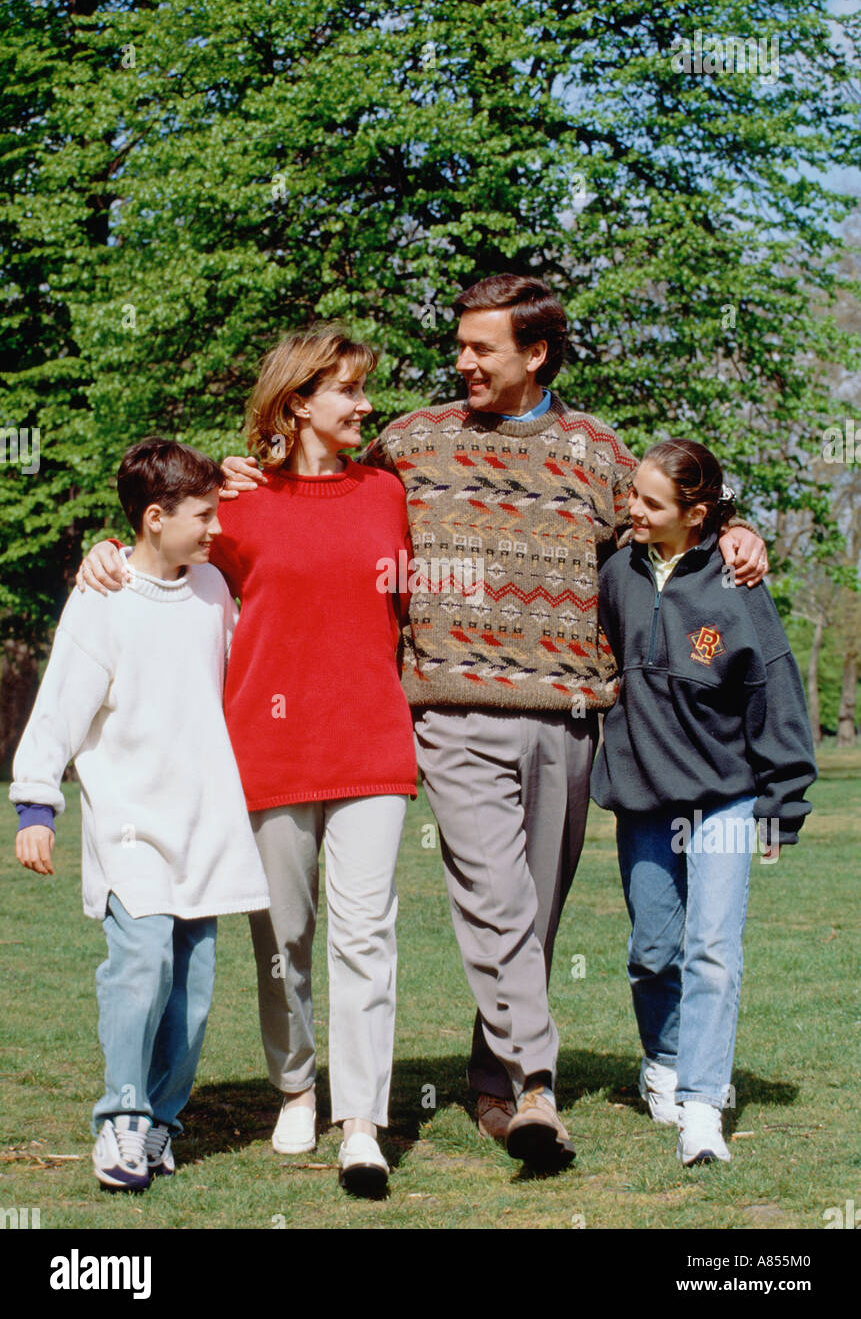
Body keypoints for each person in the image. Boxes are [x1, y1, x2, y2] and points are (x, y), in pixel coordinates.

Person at [217, 275, 770, 1171]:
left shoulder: (595, 449)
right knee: (495, 900)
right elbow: (309, 497)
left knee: (534, 917)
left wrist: (735, 532)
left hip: (568, 716)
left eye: (482, 348)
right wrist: (239, 471)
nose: (461, 361)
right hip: (450, 711)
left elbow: (663, 523)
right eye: (460, 344)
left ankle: (491, 1082)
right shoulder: (412, 442)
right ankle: (539, 1087)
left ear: (536, 353)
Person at [75, 327, 417, 1196]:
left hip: (373, 744)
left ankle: (362, 1121)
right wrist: (104, 553)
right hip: (265, 752)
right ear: (298, 401)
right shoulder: (238, 506)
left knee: (367, 937)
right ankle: (296, 1085)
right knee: (284, 940)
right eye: (346, 390)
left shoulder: (388, 492)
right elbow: (162, 560)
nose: (364, 405)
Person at [10, 438, 270, 1192]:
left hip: (206, 820)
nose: (216, 527)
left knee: (191, 987)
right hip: (129, 824)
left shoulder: (214, 589)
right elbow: (59, 705)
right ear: (155, 519)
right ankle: (120, 1118)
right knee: (141, 963)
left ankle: (160, 1121)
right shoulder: (103, 597)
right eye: (202, 515)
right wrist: (36, 804)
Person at [590, 438, 816, 1164]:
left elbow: (773, 693)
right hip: (645, 797)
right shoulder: (617, 570)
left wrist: (782, 801)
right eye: (631, 495)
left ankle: (700, 1106)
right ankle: (661, 1058)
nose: (632, 510)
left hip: (723, 798)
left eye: (650, 503)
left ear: (696, 514)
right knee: (652, 951)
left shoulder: (737, 582)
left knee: (711, 949)